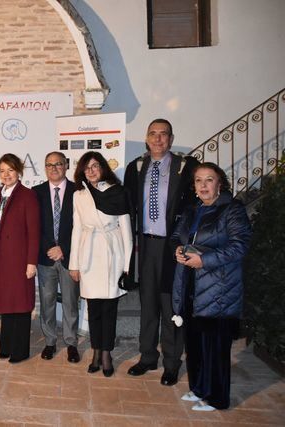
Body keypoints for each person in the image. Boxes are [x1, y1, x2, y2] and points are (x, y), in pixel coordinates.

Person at [124, 118, 199, 386]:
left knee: (170, 306)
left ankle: (171, 362)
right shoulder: (136, 167)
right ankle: (147, 357)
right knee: (148, 305)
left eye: (163, 134)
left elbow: (193, 206)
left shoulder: (186, 167)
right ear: (146, 138)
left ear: (171, 138)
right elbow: (128, 206)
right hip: (145, 245)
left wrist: (184, 240)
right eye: (153, 134)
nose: (158, 139)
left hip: (172, 246)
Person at [171, 163, 251, 411]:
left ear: (220, 184)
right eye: (198, 181)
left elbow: (240, 245)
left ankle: (217, 398)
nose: (203, 185)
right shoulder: (192, 209)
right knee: (194, 344)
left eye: (209, 180)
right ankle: (198, 389)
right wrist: (178, 249)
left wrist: (203, 260)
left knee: (214, 349)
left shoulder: (232, 210)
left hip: (220, 289)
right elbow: (178, 236)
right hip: (192, 286)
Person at [69, 152, 132, 377]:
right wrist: (73, 264)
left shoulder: (117, 191)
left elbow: (126, 229)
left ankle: (106, 354)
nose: (92, 171)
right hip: (88, 254)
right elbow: (76, 229)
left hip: (112, 253)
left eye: (96, 166)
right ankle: (96, 351)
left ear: (103, 168)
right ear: (82, 172)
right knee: (93, 309)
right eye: (87, 168)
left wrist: (128, 264)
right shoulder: (78, 195)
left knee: (109, 309)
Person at [0, 153, 40, 363]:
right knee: (5, 303)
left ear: (18, 171)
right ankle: (6, 345)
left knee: (21, 304)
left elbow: (34, 231)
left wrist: (31, 262)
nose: (6, 174)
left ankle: (20, 350)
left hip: (19, 259)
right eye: (3, 170)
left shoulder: (27, 195)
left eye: (10, 170)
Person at [32, 152, 80, 363]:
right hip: (45, 258)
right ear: (45, 168)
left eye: (58, 164)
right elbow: (34, 227)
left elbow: (82, 226)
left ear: (66, 165)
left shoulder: (79, 191)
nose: (54, 168)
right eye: (49, 165)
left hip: (70, 258)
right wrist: (50, 248)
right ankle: (50, 341)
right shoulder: (36, 192)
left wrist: (64, 248)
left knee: (70, 303)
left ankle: (71, 343)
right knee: (47, 302)